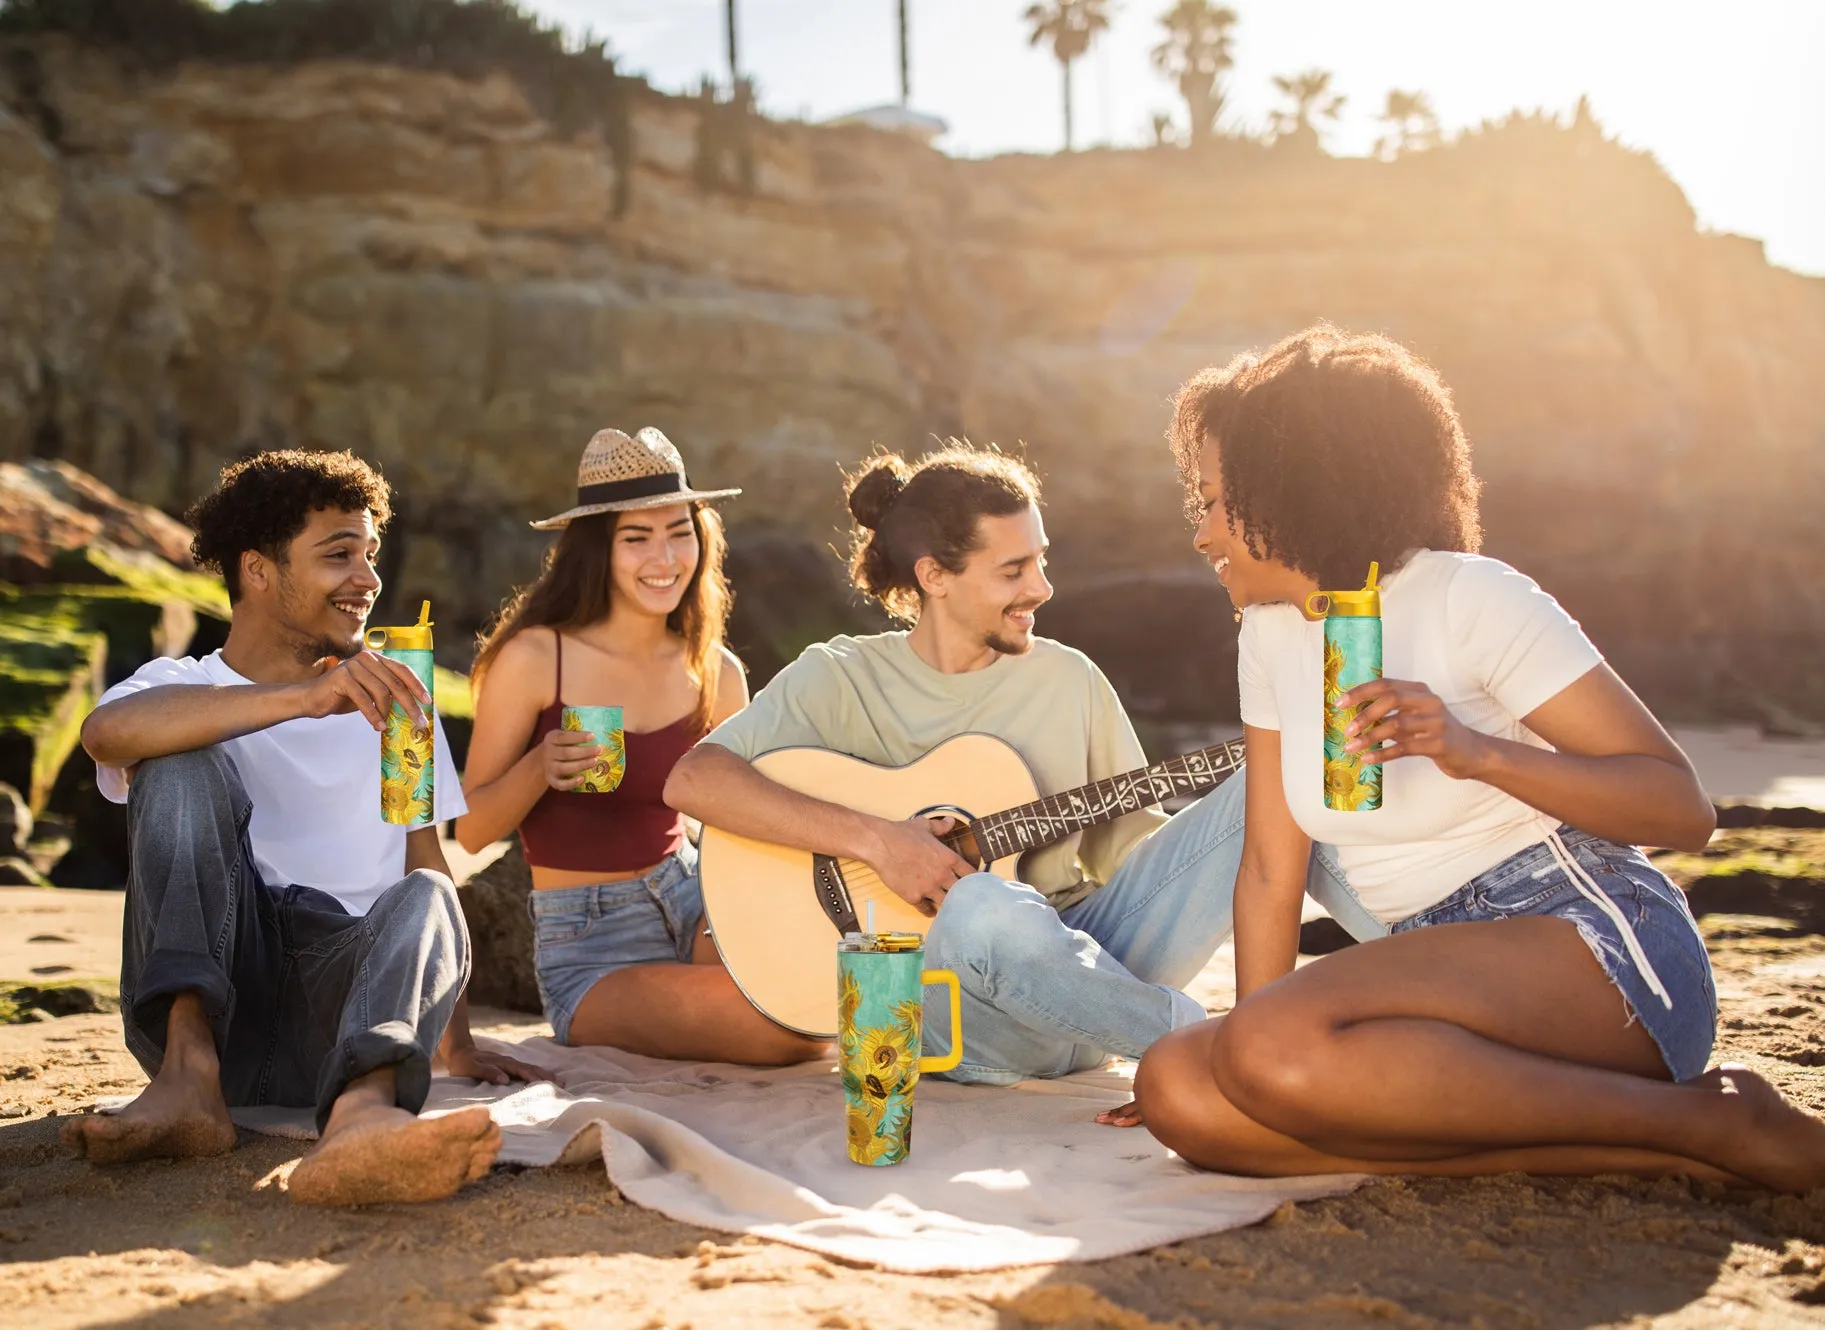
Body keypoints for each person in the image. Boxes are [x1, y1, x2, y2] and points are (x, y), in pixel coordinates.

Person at [1112, 325, 1825, 1191]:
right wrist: (1242, 1073)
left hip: (1593, 950)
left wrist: (1473, 750)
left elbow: (1682, 813)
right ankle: (1673, 1141)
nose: (1202, 534)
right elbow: (1269, 864)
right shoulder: (1267, 635)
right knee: (1181, 1088)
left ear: (1288, 489)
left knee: (1261, 1050)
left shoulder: (1470, 597)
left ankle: (1705, 1117)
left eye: (1214, 502)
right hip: (1423, 981)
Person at [664, 440, 1386, 1086]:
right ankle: (1216, 1047)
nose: (1041, 588)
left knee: (1278, 778)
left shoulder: (1069, 679)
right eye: (1013, 569)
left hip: (1088, 978)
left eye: (1040, 560)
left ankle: (1430, 957)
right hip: (959, 1013)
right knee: (982, 905)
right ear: (934, 576)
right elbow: (693, 780)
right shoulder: (839, 677)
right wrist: (880, 842)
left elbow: (1137, 863)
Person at [69, 450, 543, 1206]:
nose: (368, 578)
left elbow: (426, 858)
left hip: (346, 1014)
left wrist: (454, 1038)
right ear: (257, 571)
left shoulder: (396, 704)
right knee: (177, 761)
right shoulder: (180, 687)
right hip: (224, 995)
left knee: (426, 890)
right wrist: (302, 698)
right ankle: (188, 1080)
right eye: (338, 555)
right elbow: (106, 735)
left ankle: (361, 1117)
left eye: (370, 554)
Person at [456, 428, 823, 1065]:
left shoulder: (716, 670)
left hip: (695, 899)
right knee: (790, 1030)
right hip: (592, 942)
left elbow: (746, 818)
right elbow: (468, 831)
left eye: (680, 531)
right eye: (637, 537)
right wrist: (541, 767)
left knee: (825, 986)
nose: (665, 557)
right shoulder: (539, 657)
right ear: (598, 549)